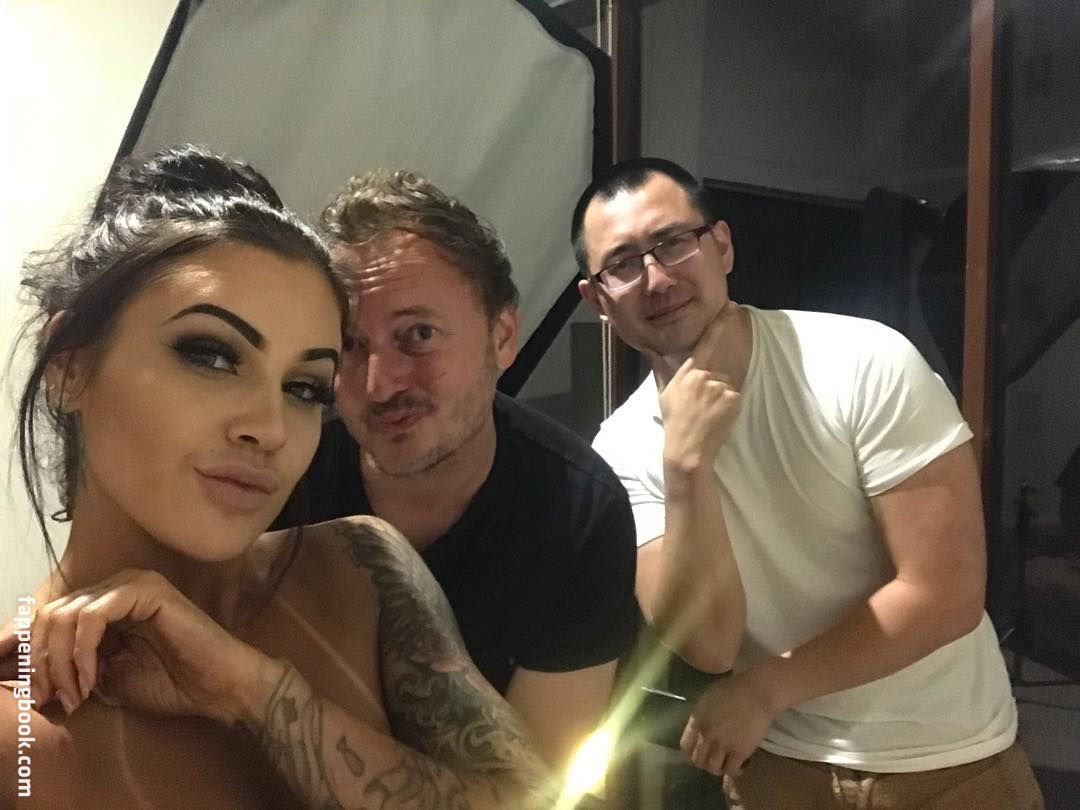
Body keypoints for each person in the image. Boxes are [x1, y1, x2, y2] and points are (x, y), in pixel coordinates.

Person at [0, 145, 550, 808]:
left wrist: (248, 689)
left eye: (304, 387)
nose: (271, 428)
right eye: (211, 355)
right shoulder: (18, 734)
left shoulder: (364, 569)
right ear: (69, 365)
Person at [572, 157, 1044, 808]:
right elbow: (708, 645)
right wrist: (686, 464)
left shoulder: (863, 363)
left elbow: (946, 591)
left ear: (722, 246)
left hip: (949, 760)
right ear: (597, 300)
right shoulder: (621, 451)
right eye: (622, 264)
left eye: (673, 241)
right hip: (778, 770)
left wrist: (767, 689)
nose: (655, 277)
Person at [275, 168, 640, 770]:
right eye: (351, 345)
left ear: (503, 336)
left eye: (418, 334)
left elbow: (534, 789)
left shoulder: (578, 512)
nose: (379, 384)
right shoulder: (284, 471)